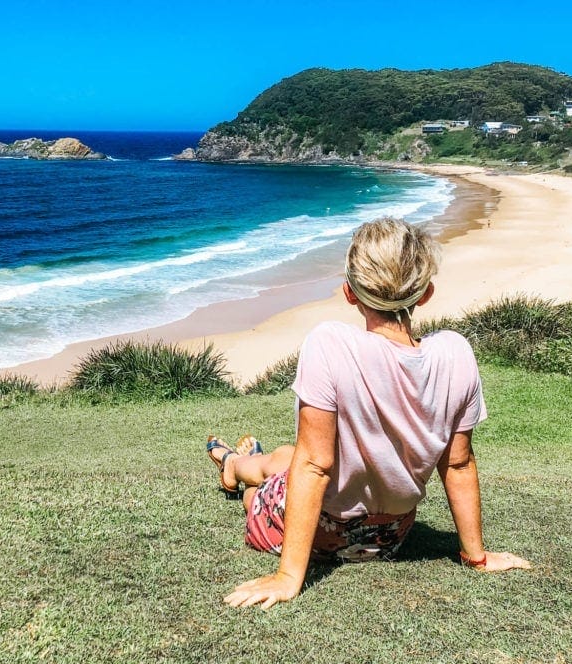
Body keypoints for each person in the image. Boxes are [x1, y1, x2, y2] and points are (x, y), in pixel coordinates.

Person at [206, 217, 531, 610]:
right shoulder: (456, 353)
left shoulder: (329, 343)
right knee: (286, 456)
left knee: (279, 470)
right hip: (390, 537)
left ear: (348, 292)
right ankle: (237, 462)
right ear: (425, 293)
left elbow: (315, 467)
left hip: (322, 535)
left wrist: (288, 577)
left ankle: (234, 465)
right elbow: (458, 465)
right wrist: (476, 556)